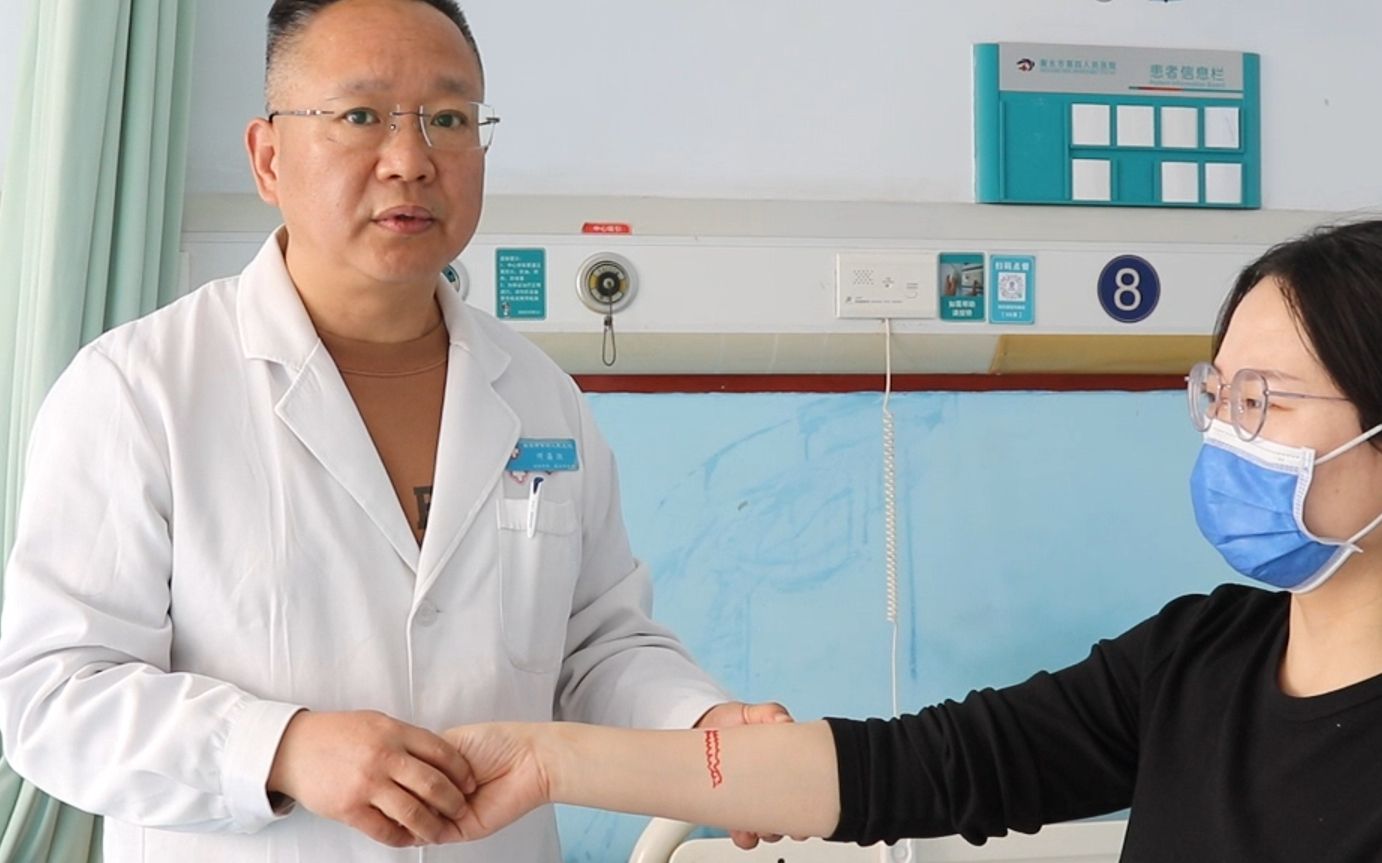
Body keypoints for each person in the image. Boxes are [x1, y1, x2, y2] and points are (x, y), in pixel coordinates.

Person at [0, 1, 787, 860]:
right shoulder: (138, 391)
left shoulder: (540, 397)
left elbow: (597, 646)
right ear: (268, 158)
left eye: (448, 119)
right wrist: (282, 747)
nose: (410, 159)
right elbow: (53, 697)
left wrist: (704, 728)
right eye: (360, 116)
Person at [441, 220, 1382, 861]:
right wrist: (546, 760)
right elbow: (911, 767)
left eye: (1262, 401)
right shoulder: (1199, 655)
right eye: (1216, 394)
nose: (1223, 435)